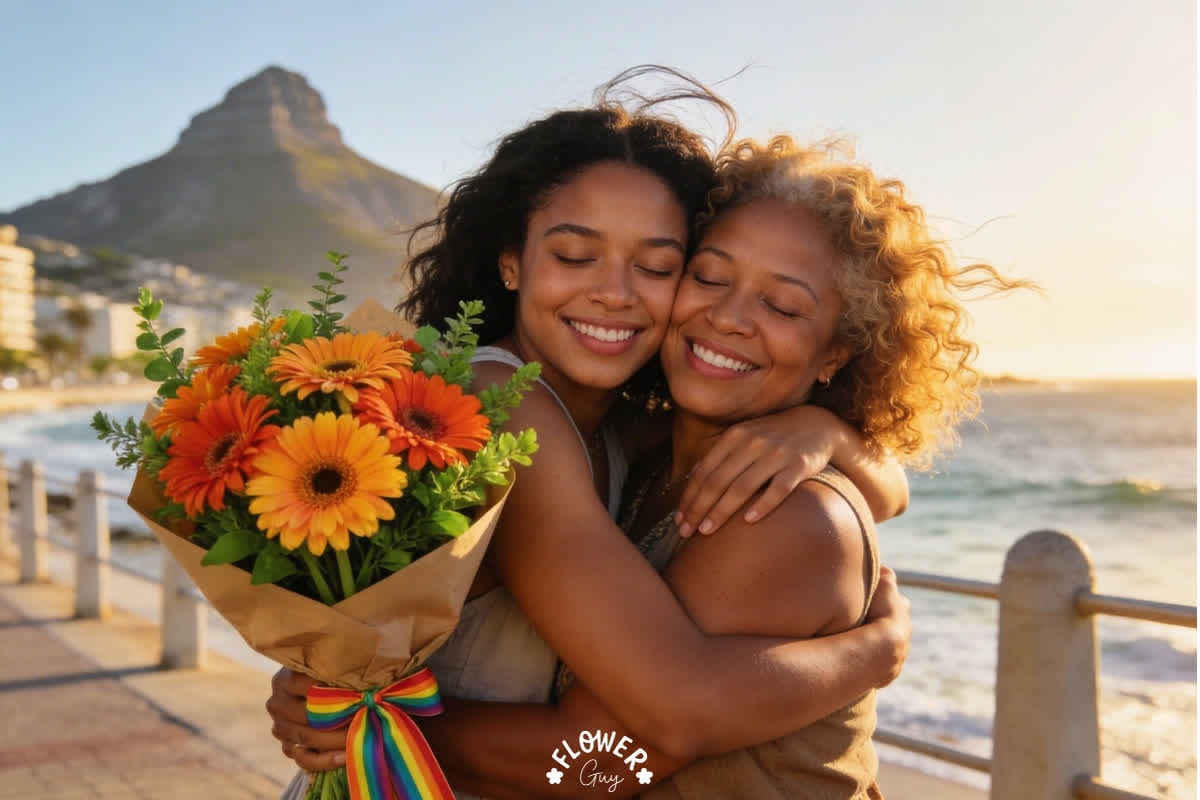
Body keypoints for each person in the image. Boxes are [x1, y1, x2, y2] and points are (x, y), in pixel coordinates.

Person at [303, 133, 1028, 799]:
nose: (729, 316)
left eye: (780, 304)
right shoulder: (556, 415)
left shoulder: (770, 506)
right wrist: (873, 652)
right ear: (510, 260)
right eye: (709, 278)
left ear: (837, 354)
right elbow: (643, 738)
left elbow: (619, 757)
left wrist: (826, 435)